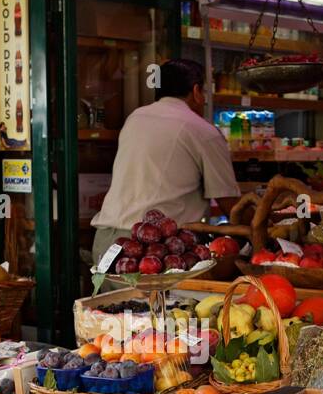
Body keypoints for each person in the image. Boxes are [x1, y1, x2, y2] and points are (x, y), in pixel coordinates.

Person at [89, 58, 240, 262]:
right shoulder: (202, 131)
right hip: (153, 251)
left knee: (110, 295)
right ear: (196, 91)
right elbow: (229, 203)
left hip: (107, 243)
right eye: (204, 92)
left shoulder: (135, 118)